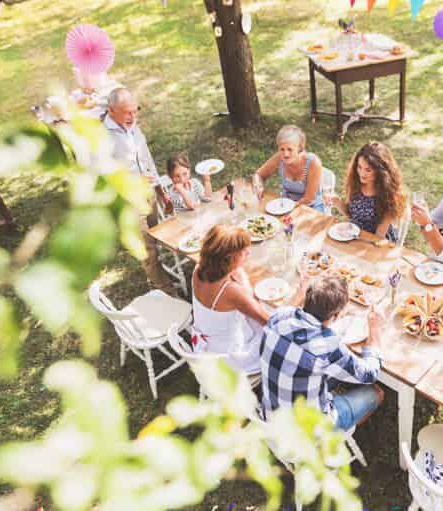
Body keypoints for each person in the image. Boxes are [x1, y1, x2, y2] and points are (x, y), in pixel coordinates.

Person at [259, 274, 385, 430]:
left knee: (333, 373)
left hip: (269, 421)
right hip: (305, 437)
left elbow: (289, 308)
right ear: (336, 316)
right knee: (376, 392)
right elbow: (370, 373)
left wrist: (300, 292)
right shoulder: (328, 346)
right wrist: (375, 329)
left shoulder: (278, 318)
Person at [103, 87, 175, 295]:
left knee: (156, 236)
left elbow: (146, 158)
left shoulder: (133, 126)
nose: (133, 117)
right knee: (147, 251)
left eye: (136, 110)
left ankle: (159, 273)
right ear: (111, 110)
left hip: (149, 194)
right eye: (127, 112)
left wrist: (160, 190)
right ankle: (167, 291)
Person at [190, 225, 272, 375]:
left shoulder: (199, 269)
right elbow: (269, 322)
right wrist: (244, 282)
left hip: (209, 343)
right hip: (228, 358)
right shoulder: (230, 291)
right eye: (244, 252)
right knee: (275, 327)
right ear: (229, 258)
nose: (249, 252)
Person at [324, 141, 408, 242]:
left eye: (368, 170)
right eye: (359, 167)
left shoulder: (388, 196)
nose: (362, 174)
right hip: (355, 235)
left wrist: (354, 237)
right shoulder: (356, 184)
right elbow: (352, 214)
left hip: (376, 243)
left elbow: (378, 237)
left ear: (380, 172)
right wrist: (337, 201)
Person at [253, 125, 325, 212]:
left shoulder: (313, 163)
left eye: (290, 149)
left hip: (311, 207)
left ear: (299, 148)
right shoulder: (279, 157)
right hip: (285, 204)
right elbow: (258, 174)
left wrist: (286, 210)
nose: (285, 154)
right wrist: (258, 185)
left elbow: (308, 199)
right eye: (282, 149)